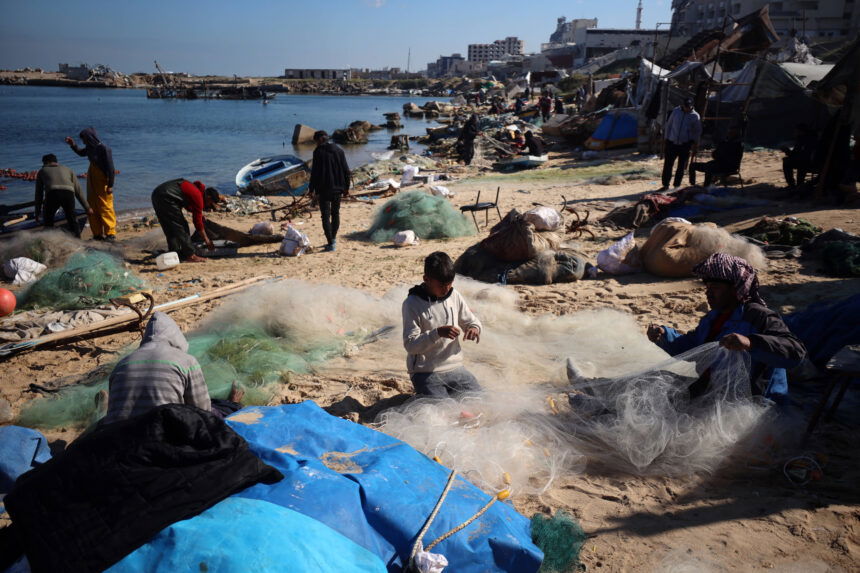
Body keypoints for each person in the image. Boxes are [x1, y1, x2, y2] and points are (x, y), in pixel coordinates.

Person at [646, 253, 806, 401]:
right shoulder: (712, 318)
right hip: (712, 392)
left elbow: (795, 352)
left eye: (715, 288)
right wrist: (665, 336)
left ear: (736, 289)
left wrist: (751, 343)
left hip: (752, 402)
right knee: (652, 382)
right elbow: (693, 347)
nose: (708, 294)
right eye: (707, 288)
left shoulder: (759, 316)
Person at [102, 312, 244, 424]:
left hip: (118, 436)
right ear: (175, 336)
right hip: (160, 431)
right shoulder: (186, 361)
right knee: (220, 412)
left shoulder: (123, 363)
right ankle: (232, 403)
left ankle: (101, 407)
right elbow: (203, 410)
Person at [402, 252, 483, 398]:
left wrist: (473, 328)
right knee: (444, 410)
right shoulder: (412, 304)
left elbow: (471, 320)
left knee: (479, 400)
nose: (446, 289)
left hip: (455, 368)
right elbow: (410, 345)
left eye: (449, 284)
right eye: (441, 285)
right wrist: (437, 333)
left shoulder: (454, 295)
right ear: (426, 279)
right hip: (425, 372)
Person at [151, 178, 221, 263]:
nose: (209, 206)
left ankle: (175, 252)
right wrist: (207, 240)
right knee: (182, 226)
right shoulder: (198, 196)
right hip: (167, 197)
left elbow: (192, 210)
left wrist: (202, 220)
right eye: (210, 204)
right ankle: (190, 255)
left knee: (169, 226)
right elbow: (197, 222)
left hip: (157, 194)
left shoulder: (194, 190)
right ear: (208, 197)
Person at [65, 127, 116, 241]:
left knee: (105, 206)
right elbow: (81, 153)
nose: (83, 142)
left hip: (102, 179)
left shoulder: (104, 149)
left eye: (84, 139)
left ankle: (110, 233)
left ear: (89, 138)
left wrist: (110, 185)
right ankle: (97, 234)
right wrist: (73, 145)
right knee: (92, 206)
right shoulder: (89, 148)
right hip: (92, 177)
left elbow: (111, 168)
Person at [308, 130, 351, 252]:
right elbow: (346, 171)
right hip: (338, 188)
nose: (315, 144)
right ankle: (333, 239)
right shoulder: (339, 150)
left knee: (325, 216)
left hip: (324, 189)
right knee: (335, 214)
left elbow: (315, 173)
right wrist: (346, 188)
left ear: (320, 140)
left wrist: (311, 189)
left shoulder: (318, 152)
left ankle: (330, 242)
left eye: (315, 141)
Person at [34, 154, 93, 238]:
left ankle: (49, 241)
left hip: (52, 194)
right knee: (72, 218)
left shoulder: (42, 171)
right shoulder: (68, 169)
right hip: (68, 193)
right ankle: (78, 241)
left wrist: (37, 212)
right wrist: (87, 208)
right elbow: (78, 190)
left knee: (48, 220)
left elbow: (38, 194)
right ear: (56, 162)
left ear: (46, 162)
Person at [660, 98, 702, 191]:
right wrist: (666, 139)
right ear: (682, 105)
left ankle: (676, 185)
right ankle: (665, 185)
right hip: (672, 143)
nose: (686, 108)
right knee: (668, 165)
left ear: (691, 106)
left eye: (688, 106)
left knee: (681, 166)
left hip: (685, 144)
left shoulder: (695, 116)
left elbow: (697, 132)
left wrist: (694, 144)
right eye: (685, 106)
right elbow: (669, 125)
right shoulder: (676, 111)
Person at [782, 124, 818, 188]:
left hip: (810, 162)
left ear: (801, 131)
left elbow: (803, 154)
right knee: (788, 161)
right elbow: (795, 154)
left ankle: (795, 184)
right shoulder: (802, 139)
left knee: (791, 163)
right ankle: (795, 184)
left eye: (796, 131)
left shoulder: (807, 140)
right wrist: (787, 150)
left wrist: (787, 151)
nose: (794, 132)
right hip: (807, 161)